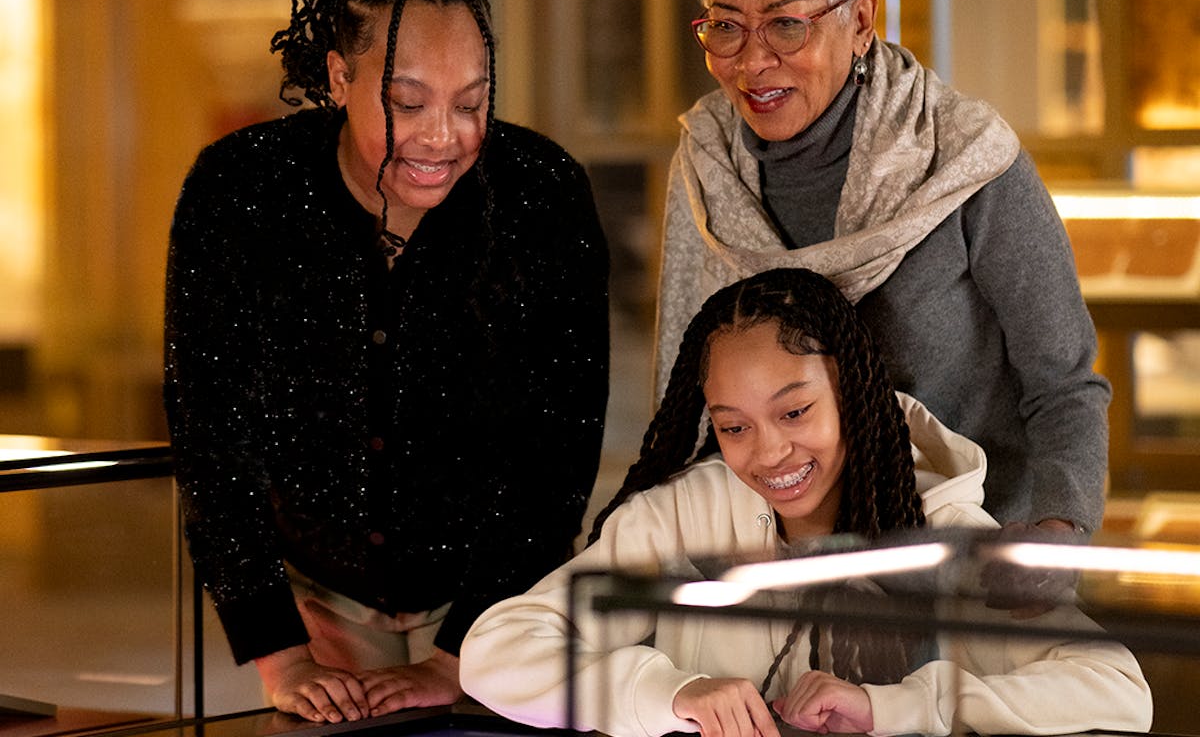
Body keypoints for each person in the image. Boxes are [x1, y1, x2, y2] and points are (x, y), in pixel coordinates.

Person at [163, 0, 609, 725]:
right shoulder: (239, 194)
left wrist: (462, 651)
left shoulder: (542, 197)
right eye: (408, 102)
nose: (443, 136)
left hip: (500, 602)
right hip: (315, 605)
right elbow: (211, 437)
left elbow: (556, 453)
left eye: (472, 103)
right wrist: (281, 650)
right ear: (340, 76)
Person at [459, 268, 1151, 737]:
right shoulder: (675, 519)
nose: (767, 454)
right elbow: (495, 652)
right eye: (734, 427)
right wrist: (670, 691)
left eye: (794, 414)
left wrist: (890, 708)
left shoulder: (943, 529)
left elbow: (1117, 688)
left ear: (851, 394)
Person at [655, 0, 1110, 537]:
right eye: (726, 25)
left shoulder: (964, 157)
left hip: (976, 545)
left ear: (861, 21)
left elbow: (1064, 384)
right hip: (780, 554)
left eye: (787, 24)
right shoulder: (705, 164)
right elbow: (684, 397)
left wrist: (1057, 534)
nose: (751, 61)